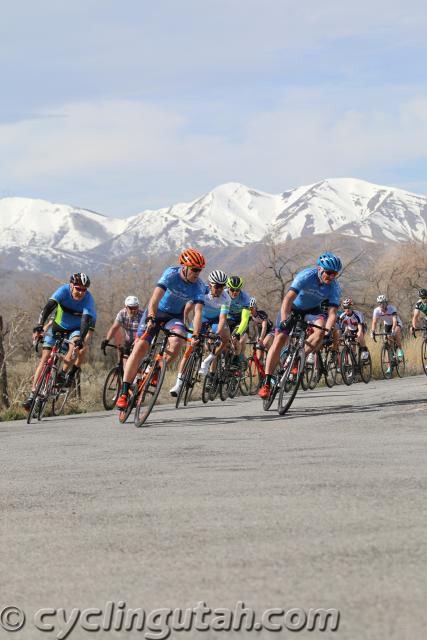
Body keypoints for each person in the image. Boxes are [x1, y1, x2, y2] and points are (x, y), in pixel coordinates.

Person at [116, 249, 206, 408]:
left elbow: (198, 313)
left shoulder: (199, 286)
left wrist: (197, 334)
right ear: (184, 267)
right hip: (156, 312)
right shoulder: (171, 274)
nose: (197, 273)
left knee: (178, 340)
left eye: (200, 270)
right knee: (140, 348)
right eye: (194, 269)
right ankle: (123, 391)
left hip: (174, 317)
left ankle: (156, 370)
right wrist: (150, 316)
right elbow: (155, 297)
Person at [259, 252, 342, 399]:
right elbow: (288, 299)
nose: (331, 277)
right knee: (280, 339)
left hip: (312, 310)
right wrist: (285, 320)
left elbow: (333, 313)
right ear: (319, 269)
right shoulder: (306, 276)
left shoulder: (334, 287)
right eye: (328, 273)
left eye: (334, 274)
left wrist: (328, 332)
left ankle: (297, 358)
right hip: (293, 307)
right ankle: (266, 382)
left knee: (321, 331)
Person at [23, 273, 96, 409]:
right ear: (71, 285)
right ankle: (32, 395)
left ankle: (62, 374)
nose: (80, 292)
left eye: (84, 290)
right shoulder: (63, 291)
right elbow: (48, 307)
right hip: (58, 326)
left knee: (75, 346)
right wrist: (40, 325)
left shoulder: (88, 300)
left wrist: (80, 339)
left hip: (75, 329)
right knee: (45, 358)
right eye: (78, 288)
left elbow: (86, 321)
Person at [170, 270, 231, 394]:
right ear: (210, 284)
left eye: (223, 286)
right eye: (217, 286)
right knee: (189, 348)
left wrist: (217, 333)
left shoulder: (226, 298)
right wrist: (184, 322)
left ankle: (207, 361)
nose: (220, 289)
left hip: (215, 320)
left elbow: (222, 319)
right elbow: (188, 308)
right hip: (201, 319)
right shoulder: (201, 290)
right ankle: (178, 384)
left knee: (225, 337)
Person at [370, 294, 404, 373]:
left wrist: (393, 330)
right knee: (388, 344)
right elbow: (374, 322)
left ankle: (399, 350)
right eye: (380, 303)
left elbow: (395, 320)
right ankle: (389, 365)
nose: (382, 305)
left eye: (383, 303)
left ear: (386, 303)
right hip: (387, 325)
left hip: (396, 323)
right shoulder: (377, 310)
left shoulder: (391, 308)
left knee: (396, 332)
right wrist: (373, 331)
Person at [226, 275, 251, 365]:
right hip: (228, 319)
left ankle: (238, 360)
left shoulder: (245, 298)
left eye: (237, 290)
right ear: (228, 288)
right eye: (232, 290)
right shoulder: (223, 295)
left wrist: (238, 334)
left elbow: (244, 319)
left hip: (240, 321)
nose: (235, 292)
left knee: (239, 340)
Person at [249, 297, 274, 362]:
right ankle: (262, 365)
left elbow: (264, 327)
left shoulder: (261, 314)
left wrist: (261, 338)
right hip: (261, 331)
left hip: (270, 330)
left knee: (265, 343)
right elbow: (255, 328)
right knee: (259, 353)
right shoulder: (251, 317)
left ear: (255, 307)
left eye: (251, 308)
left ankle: (272, 355)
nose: (250, 310)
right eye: (248, 309)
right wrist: (256, 337)